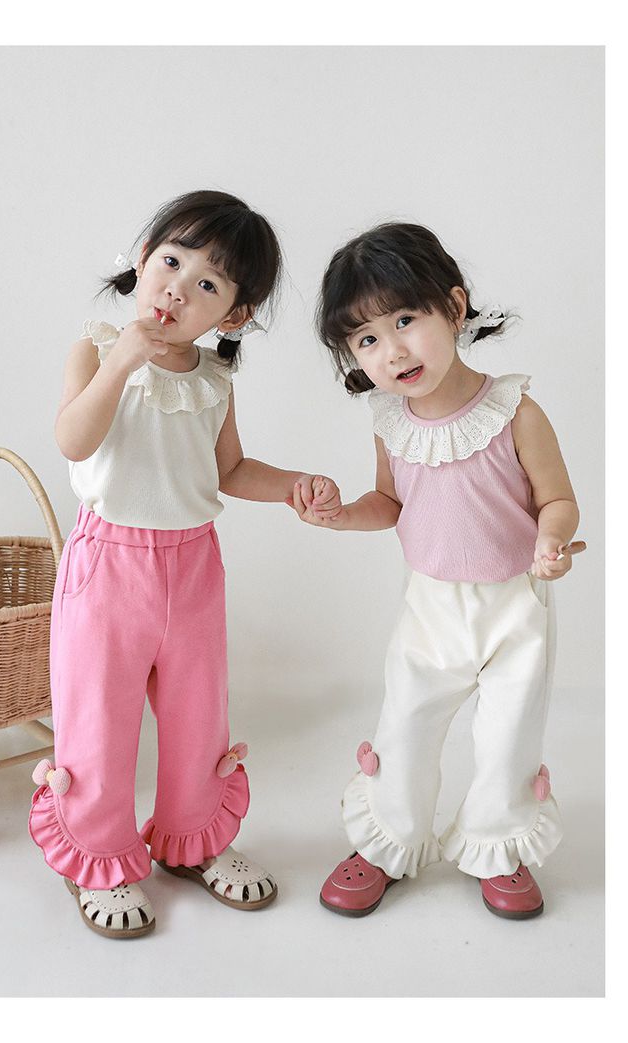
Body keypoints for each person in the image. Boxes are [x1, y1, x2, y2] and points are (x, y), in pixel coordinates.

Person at [29, 189, 341, 938]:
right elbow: (73, 439)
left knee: (198, 713)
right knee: (99, 715)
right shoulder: (96, 348)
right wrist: (123, 360)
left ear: (232, 316)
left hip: (193, 564)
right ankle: (97, 854)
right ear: (143, 260)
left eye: (208, 283)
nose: (177, 288)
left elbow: (228, 470)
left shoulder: (212, 380)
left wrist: (294, 485)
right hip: (109, 565)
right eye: (171, 262)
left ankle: (191, 838)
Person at [291, 222, 585, 919]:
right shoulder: (390, 422)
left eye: (405, 320)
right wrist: (341, 514)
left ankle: (498, 845)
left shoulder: (515, 411)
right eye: (366, 339)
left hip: (514, 604)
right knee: (407, 723)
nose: (392, 350)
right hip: (430, 606)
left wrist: (552, 539)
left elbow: (559, 500)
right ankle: (389, 840)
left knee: (508, 735)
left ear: (453, 308)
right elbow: (391, 503)